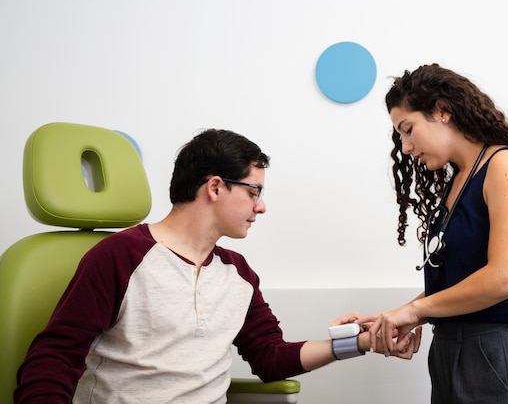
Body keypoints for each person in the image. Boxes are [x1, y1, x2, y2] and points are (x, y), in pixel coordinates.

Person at [14, 128, 415, 404]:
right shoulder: (120, 257)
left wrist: (363, 342)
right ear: (216, 187)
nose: (261, 206)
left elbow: (270, 357)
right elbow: (54, 358)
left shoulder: (238, 273)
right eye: (254, 191)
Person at [338, 63, 508, 403]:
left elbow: (505, 279)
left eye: (408, 129)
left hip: (500, 354)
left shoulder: (507, 165)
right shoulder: (458, 182)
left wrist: (413, 312)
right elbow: (456, 285)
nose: (406, 146)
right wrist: (390, 318)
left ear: (442, 111)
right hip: (450, 352)